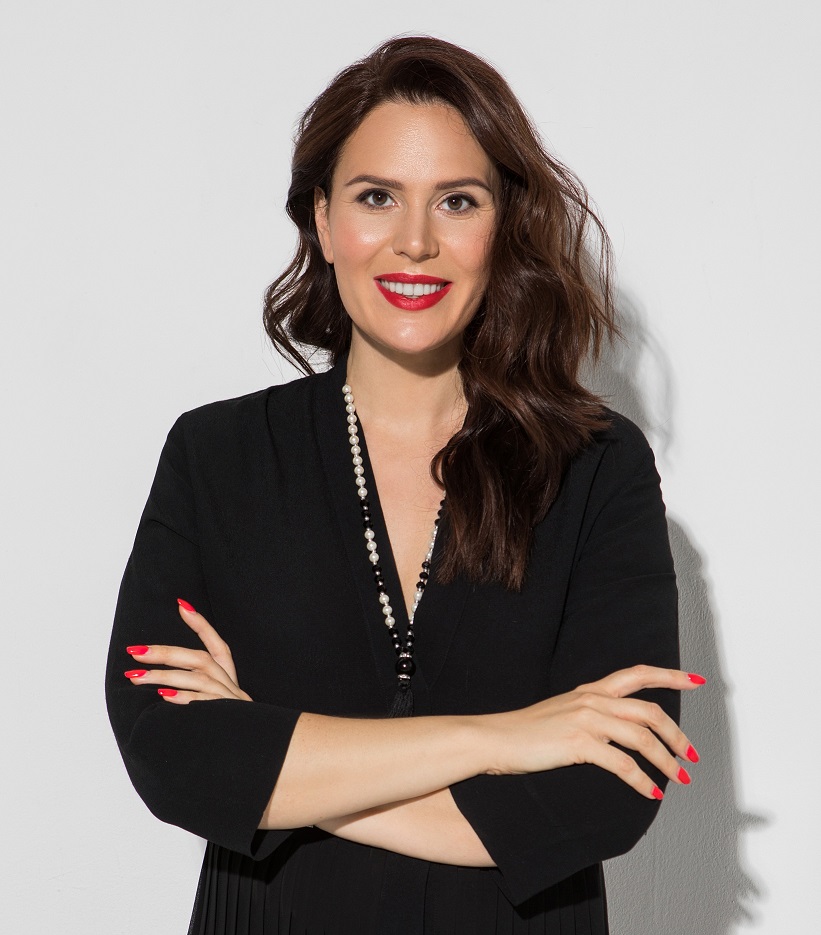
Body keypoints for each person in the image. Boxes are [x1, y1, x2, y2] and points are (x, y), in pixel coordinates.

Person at [106, 36, 704, 934]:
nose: (415, 241)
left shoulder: (594, 464)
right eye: (375, 196)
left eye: (456, 200)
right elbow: (173, 759)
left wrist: (269, 761)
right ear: (321, 219)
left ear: (503, 223)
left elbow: (604, 795)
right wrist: (502, 736)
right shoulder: (217, 454)